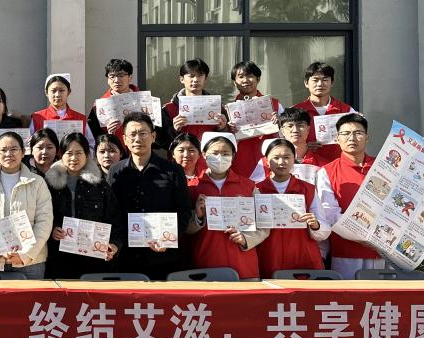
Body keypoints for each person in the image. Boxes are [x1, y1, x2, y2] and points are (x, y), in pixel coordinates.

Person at [110, 113, 194, 280]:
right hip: (125, 258)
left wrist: (169, 239)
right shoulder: (116, 171)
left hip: (163, 258)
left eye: (143, 133)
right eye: (132, 134)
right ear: (124, 139)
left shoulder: (172, 171)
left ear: (153, 136)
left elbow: (184, 211)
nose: (137, 139)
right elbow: (112, 211)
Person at [0, 132, 53, 277]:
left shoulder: (38, 182)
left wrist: (25, 254)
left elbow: (44, 221)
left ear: (23, 152)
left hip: (31, 263)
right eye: (3, 150)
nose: (9, 154)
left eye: (14, 149)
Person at [188, 132, 267, 279]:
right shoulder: (192, 186)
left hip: (243, 265)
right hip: (205, 263)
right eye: (215, 153)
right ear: (204, 154)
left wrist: (246, 238)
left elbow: (264, 224)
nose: (220, 157)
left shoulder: (248, 186)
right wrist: (198, 217)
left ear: (233, 156)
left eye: (225, 153)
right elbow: (185, 228)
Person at [316, 113, 387, 279]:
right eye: (346, 133)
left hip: (383, 248)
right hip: (347, 252)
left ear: (367, 138)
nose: (352, 138)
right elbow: (330, 213)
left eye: (358, 133)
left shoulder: (383, 167)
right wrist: (362, 236)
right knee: (350, 293)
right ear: (337, 138)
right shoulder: (327, 171)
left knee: (385, 294)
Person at [45, 132, 121, 278]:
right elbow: (41, 217)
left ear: (87, 154)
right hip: (60, 258)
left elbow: (115, 219)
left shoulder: (100, 185)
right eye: (69, 153)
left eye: (79, 153)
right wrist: (52, 229)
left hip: (93, 259)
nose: (74, 158)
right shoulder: (49, 185)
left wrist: (114, 244)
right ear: (61, 155)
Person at [254, 139, 331, 277]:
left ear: (293, 159)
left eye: (286, 157)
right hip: (268, 255)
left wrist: (315, 224)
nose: (281, 162)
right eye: (276, 157)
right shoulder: (257, 190)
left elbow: (324, 231)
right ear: (266, 161)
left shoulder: (307, 189)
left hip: (303, 256)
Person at [226, 61, 283, 178]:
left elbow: (286, 138)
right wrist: (229, 130)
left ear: (258, 79)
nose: (245, 80)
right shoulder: (228, 109)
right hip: (239, 162)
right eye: (241, 77)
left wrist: (279, 125)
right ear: (234, 82)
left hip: (268, 161)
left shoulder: (275, 105)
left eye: (250, 76)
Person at [160, 59, 229, 151]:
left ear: (205, 79)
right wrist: (174, 130)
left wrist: (223, 128)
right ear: (181, 79)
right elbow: (161, 143)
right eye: (191, 76)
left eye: (200, 75)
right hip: (182, 159)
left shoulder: (218, 108)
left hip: (209, 158)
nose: (196, 80)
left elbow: (228, 142)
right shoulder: (168, 109)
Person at [292, 61, 356, 161]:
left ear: (332, 83)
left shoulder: (347, 110)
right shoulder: (295, 110)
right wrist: (302, 147)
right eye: (315, 80)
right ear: (306, 83)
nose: (320, 84)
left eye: (325, 79)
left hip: (338, 164)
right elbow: (285, 141)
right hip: (308, 165)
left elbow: (357, 137)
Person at [248, 108, 327, 184]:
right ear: (282, 131)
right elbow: (255, 189)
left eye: (300, 125)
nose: (295, 130)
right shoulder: (267, 162)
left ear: (308, 130)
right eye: (290, 126)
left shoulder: (323, 164)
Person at [87, 58, 140, 139]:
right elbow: (94, 135)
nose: (116, 80)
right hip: (114, 146)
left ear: (130, 77)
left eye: (121, 75)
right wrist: (108, 134)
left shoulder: (144, 100)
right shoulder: (99, 106)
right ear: (108, 80)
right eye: (112, 76)